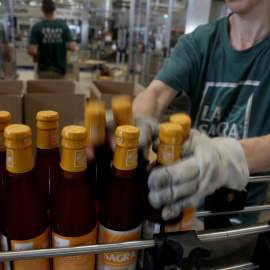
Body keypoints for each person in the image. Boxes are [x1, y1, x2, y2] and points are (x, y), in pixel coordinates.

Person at [129, 0, 270, 227]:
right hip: (183, 203)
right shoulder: (200, 42)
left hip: (240, 216)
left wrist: (226, 158)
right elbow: (156, 93)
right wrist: (138, 122)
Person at [28, 0, 76, 79]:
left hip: (43, 69)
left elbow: (31, 50)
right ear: (55, 8)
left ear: (42, 9)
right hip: (59, 70)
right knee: (58, 91)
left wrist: (35, 56)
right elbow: (72, 47)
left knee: (44, 91)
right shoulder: (64, 27)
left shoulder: (37, 27)